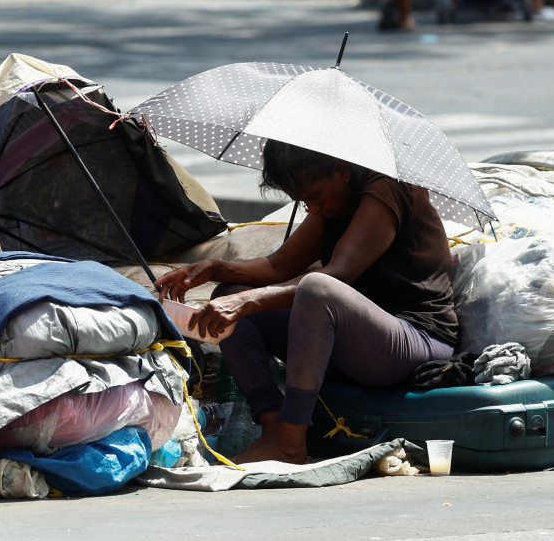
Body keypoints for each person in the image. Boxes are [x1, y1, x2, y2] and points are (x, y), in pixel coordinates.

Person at [155, 140, 458, 465]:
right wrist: (215, 269)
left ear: (341, 172)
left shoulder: (388, 187)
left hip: (414, 340)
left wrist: (247, 301)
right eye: (303, 202)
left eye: (313, 197)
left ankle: (292, 437)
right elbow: (278, 266)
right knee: (229, 295)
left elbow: (337, 276)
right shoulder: (338, 199)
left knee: (316, 288)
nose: (311, 209)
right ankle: (274, 432)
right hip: (353, 343)